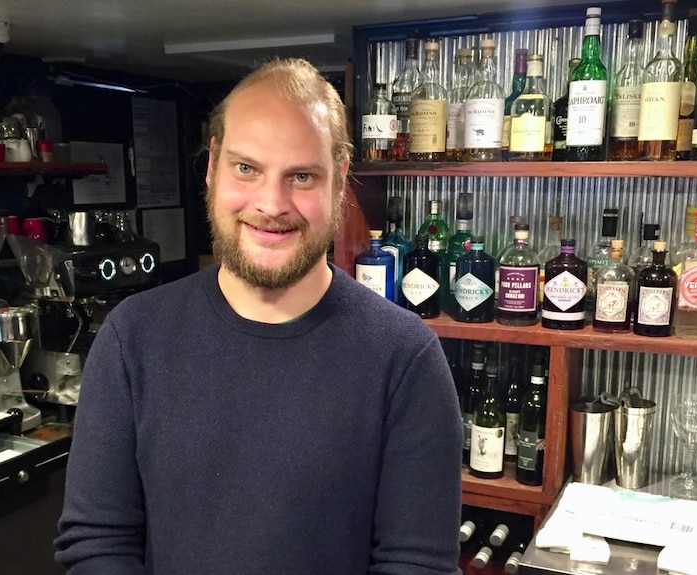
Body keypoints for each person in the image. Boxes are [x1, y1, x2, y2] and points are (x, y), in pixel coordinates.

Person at [54, 57, 463, 574]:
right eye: (246, 168)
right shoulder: (132, 338)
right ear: (211, 170)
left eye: (302, 176)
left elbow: (417, 566)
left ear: (339, 183)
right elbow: (97, 543)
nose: (271, 203)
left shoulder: (405, 358)